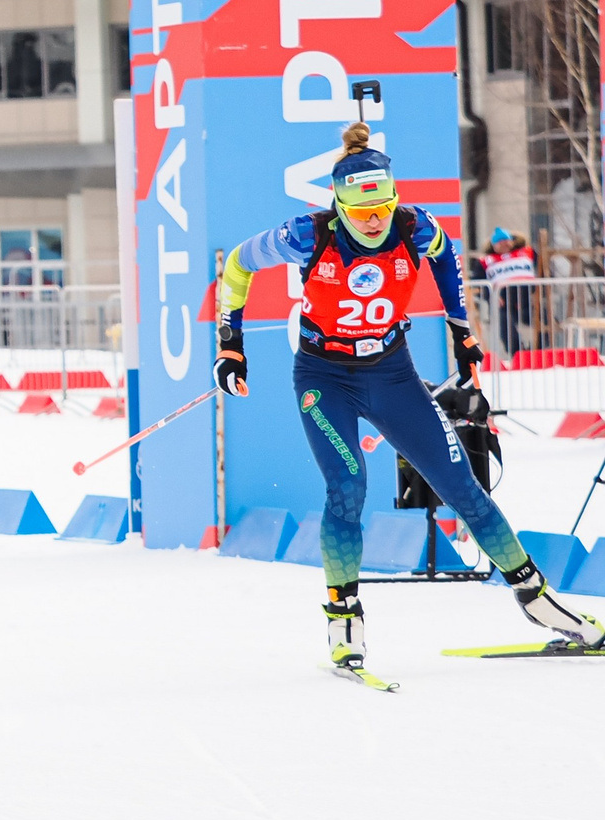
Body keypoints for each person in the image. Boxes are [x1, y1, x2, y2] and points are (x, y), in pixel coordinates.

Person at [216, 122, 604, 674]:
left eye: (381, 208)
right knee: (348, 486)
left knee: (461, 487)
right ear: (340, 205)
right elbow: (238, 263)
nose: (374, 220)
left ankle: (536, 597)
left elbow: (446, 259)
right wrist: (230, 343)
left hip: (392, 373)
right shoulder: (307, 234)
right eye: (361, 212)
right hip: (325, 378)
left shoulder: (414, 225)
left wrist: (460, 328)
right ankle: (343, 617)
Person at [482, 227, 538, 356]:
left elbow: (542, 268)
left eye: (506, 241)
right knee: (504, 322)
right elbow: (480, 284)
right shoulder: (485, 261)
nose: (504, 245)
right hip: (503, 304)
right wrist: (491, 296)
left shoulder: (528, 253)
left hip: (527, 300)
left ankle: (539, 350)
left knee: (545, 320)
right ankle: (518, 352)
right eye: (500, 242)